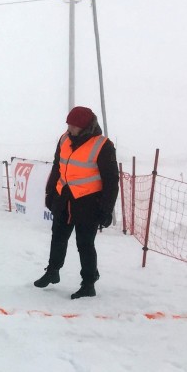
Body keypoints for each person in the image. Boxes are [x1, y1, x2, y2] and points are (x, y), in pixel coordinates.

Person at [34, 106, 118, 299]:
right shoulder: (64, 139)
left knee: (85, 244)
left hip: (88, 203)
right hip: (64, 198)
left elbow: (112, 180)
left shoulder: (102, 145)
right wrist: (50, 193)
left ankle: (88, 283)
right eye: (68, 124)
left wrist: (106, 209)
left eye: (73, 125)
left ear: (85, 126)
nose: (69, 128)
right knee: (58, 237)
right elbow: (57, 167)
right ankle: (53, 271)